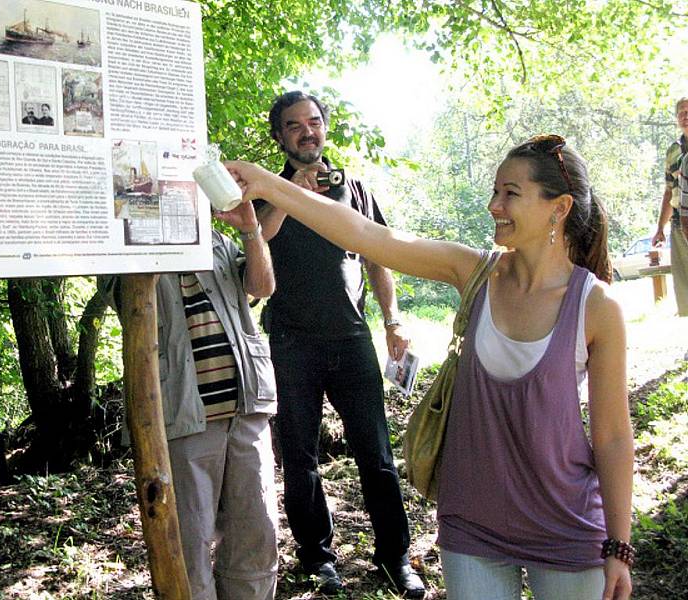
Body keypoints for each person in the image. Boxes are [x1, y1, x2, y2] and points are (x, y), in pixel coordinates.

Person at [225, 133, 635, 600]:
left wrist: (618, 545)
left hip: (567, 526)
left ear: (558, 208)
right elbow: (368, 236)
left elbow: (613, 437)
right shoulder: (474, 272)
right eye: (494, 191)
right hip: (473, 526)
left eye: (510, 194)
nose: (493, 205)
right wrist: (264, 184)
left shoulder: (596, 306)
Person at [252, 91, 425, 597]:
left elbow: (378, 258)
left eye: (314, 122)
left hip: (352, 339)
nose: (307, 131)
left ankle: (395, 557)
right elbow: (256, 243)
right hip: (291, 342)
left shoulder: (355, 189)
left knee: (376, 455)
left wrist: (392, 321)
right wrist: (291, 193)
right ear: (279, 137)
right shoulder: (267, 192)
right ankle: (318, 560)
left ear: (325, 128)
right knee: (300, 459)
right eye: (294, 125)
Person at [117, 201, 279, 600]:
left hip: (246, 407)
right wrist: (152, 243)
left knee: (256, 531)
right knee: (189, 540)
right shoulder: (125, 247)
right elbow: (124, 301)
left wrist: (251, 230)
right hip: (182, 416)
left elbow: (262, 287)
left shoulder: (220, 243)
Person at [653, 97, 688, 320]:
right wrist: (660, 229)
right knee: (684, 282)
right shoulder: (673, 151)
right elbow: (668, 191)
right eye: (681, 112)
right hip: (679, 223)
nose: (685, 115)